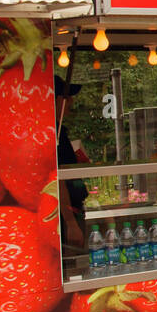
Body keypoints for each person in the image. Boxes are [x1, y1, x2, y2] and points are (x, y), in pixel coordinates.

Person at [55, 75, 88, 247]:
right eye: (68, 97)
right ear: (58, 99)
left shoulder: (60, 132)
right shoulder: (54, 134)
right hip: (66, 213)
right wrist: (70, 222)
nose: (72, 102)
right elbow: (57, 179)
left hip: (71, 210)